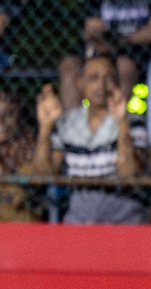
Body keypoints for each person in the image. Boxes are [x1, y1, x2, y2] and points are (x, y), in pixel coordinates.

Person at [32, 57, 142, 224]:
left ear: (117, 83)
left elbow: (128, 174)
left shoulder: (134, 122)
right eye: (93, 78)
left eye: (109, 78)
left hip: (123, 219)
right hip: (79, 219)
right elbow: (43, 175)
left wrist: (122, 123)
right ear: (80, 84)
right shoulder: (67, 123)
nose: (101, 85)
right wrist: (45, 128)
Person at [0, 89, 39, 222]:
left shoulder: (28, 139)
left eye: (8, 114)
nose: (1, 122)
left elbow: (20, 196)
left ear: (18, 114)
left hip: (18, 212)